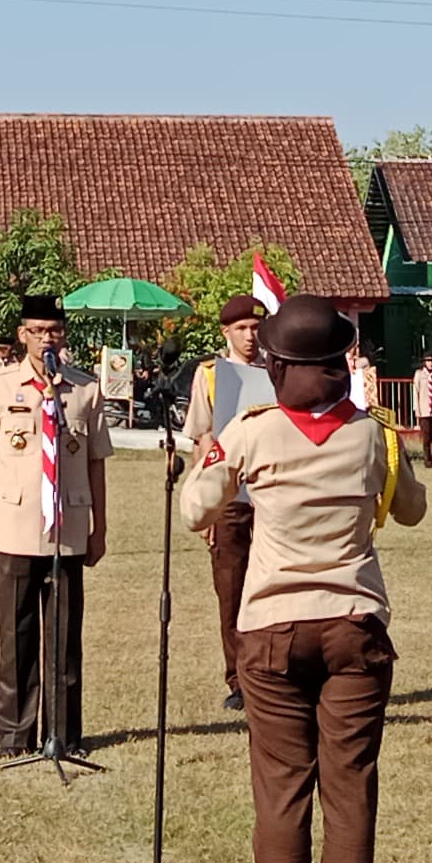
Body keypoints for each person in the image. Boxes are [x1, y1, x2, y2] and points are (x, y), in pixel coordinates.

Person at [180, 295, 425, 863]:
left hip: (271, 628)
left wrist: (210, 458)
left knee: (282, 792)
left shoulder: (253, 430)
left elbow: (195, 511)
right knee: (349, 788)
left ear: (278, 366)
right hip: (354, 621)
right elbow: (411, 511)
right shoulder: (374, 433)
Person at [0, 293, 111, 758]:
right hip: (13, 525)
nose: (49, 339)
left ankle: (64, 734)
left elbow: (96, 464)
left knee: (65, 642)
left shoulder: (84, 389)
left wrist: (99, 528)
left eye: (56, 331)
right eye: (39, 331)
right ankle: (15, 736)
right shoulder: (1, 386)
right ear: (23, 334)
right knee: (17, 638)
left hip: (67, 528)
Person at [184, 295, 272, 713]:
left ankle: (272, 673)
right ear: (226, 332)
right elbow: (202, 440)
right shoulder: (211, 375)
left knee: (274, 586)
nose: (250, 336)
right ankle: (239, 678)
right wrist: (206, 505)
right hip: (229, 497)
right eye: (241, 329)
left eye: (255, 328)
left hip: (273, 493)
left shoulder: (278, 369)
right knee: (231, 589)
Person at [409, 351, 432, 468]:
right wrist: (417, 409)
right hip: (424, 410)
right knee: (426, 437)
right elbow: (416, 392)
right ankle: (427, 460)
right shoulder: (419, 375)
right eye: (428, 361)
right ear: (424, 363)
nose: (431, 364)